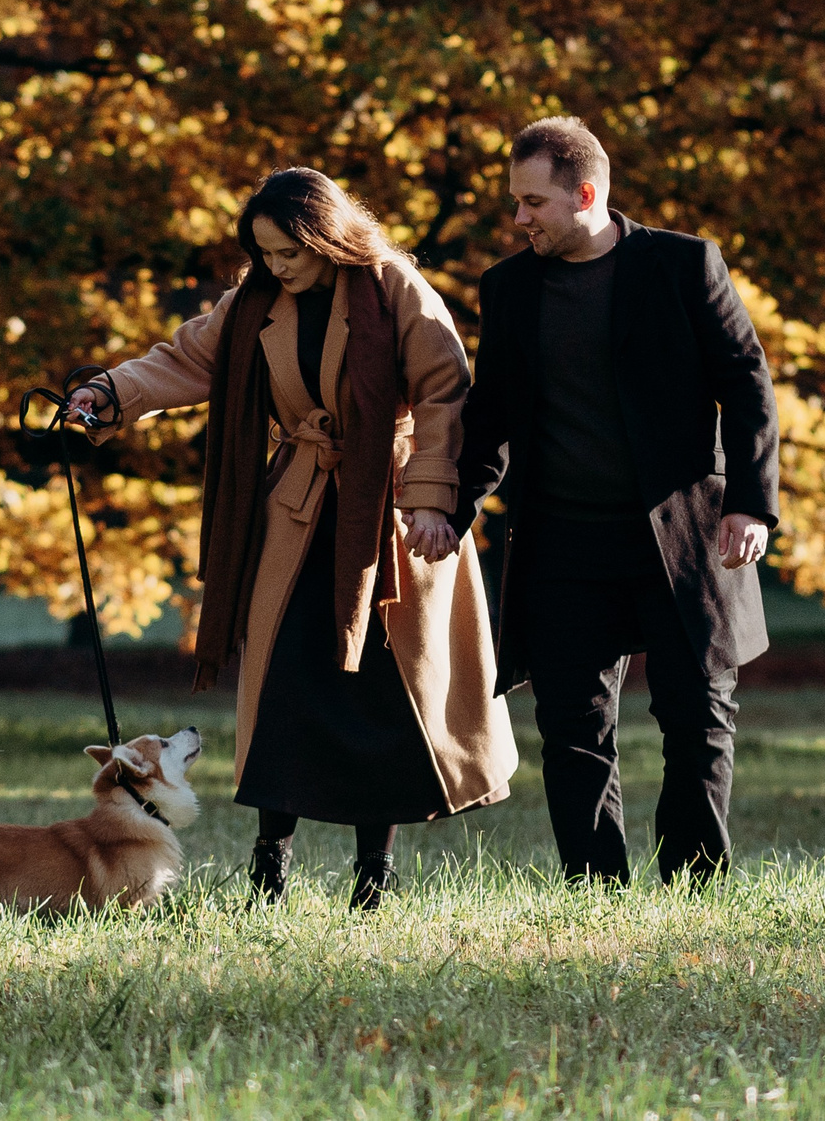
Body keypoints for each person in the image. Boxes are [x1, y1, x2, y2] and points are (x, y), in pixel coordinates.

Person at [72, 167, 516, 908]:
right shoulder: (252, 303)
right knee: (282, 688)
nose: (277, 266)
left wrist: (434, 499)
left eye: (289, 251)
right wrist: (108, 393)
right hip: (298, 511)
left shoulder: (394, 285)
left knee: (382, 696)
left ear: (325, 234)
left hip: (392, 509)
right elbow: (185, 359)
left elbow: (444, 387)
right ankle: (267, 869)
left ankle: (374, 874)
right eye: (266, 252)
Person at [452, 116, 779, 886]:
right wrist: (450, 506)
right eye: (517, 202)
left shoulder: (683, 265)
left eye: (533, 202)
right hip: (563, 543)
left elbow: (747, 383)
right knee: (571, 727)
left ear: (585, 194)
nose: (519, 217)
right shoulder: (508, 288)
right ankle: (596, 889)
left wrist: (751, 504)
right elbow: (490, 416)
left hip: (683, 536)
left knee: (698, 717)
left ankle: (695, 886)